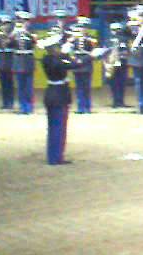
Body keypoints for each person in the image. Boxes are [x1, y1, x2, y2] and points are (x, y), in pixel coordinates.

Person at [40, 34, 79, 165]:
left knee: (53, 128)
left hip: (50, 94)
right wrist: (91, 57)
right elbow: (74, 65)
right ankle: (56, 158)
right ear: (55, 48)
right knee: (58, 129)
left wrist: (64, 54)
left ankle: (53, 156)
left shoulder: (47, 59)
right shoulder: (57, 61)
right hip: (59, 96)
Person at [69, 17, 98, 114]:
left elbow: (94, 53)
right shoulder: (73, 40)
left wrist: (83, 60)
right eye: (80, 27)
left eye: (84, 27)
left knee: (86, 87)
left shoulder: (91, 40)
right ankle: (80, 107)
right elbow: (69, 51)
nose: (82, 29)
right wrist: (74, 60)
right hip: (77, 65)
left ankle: (87, 107)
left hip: (86, 65)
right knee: (79, 88)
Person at [11, 10, 37, 114]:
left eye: (24, 21)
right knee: (20, 86)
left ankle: (29, 107)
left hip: (28, 59)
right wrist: (12, 34)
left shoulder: (32, 31)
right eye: (20, 21)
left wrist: (26, 32)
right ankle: (22, 107)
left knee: (29, 86)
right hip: (18, 60)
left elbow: (35, 42)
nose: (22, 23)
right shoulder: (15, 32)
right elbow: (7, 44)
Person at [0, 13, 15, 110]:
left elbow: (13, 44)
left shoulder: (13, 34)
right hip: (1, 60)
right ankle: (5, 102)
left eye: (6, 24)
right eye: (2, 24)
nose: (4, 26)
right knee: (3, 83)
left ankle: (10, 102)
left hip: (10, 59)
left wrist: (6, 36)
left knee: (10, 83)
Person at [106, 21, 130, 108]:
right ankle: (115, 101)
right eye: (114, 30)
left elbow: (127, 52)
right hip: (112, 64)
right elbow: (105, 52)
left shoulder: (124, 40)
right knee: (113, 84)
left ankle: (121, 101)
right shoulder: (108, 40)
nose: (116, 32)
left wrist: (120, 56)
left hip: (122, 63)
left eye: (117, 30)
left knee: (122, 83)